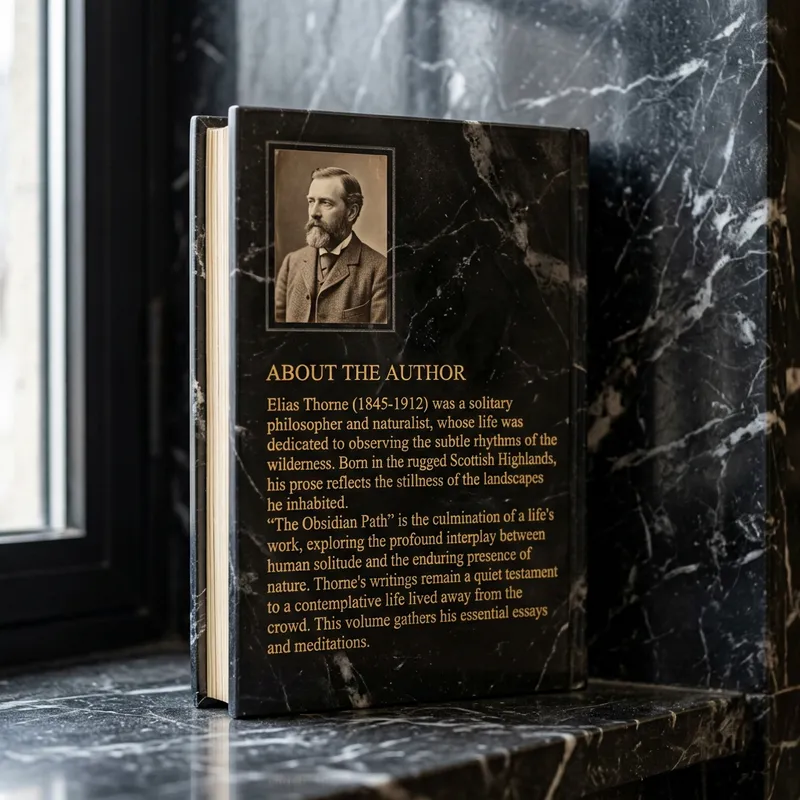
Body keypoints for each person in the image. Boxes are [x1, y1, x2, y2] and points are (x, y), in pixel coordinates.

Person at [275, 166, 387, 325]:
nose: (314, 212)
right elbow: (275, 337)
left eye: (325, 203)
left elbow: (380, 343)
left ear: (351, 212)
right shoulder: (291, 262)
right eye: (311, 201)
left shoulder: (380, 270)